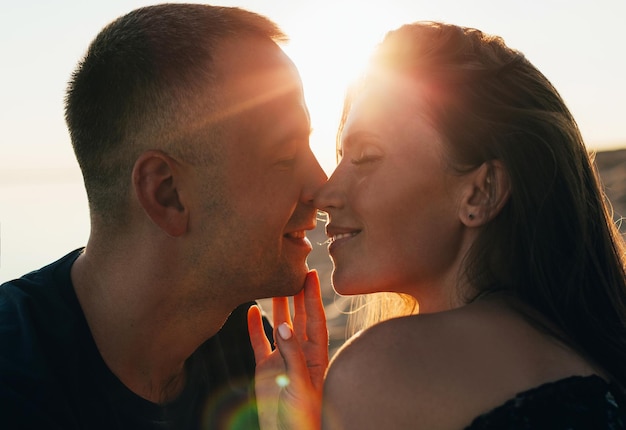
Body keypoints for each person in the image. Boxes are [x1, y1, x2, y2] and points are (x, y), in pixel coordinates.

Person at [248, 21, 626, 429]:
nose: (325, 194)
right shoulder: (592, 358)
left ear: (481, 192)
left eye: (367, 156)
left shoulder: (388, 368)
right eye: (342, 155)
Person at [0, 3, 326, 429]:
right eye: (286, 157)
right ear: (167, 192)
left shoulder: (251, 356)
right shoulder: (16, 382)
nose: (323, 185)